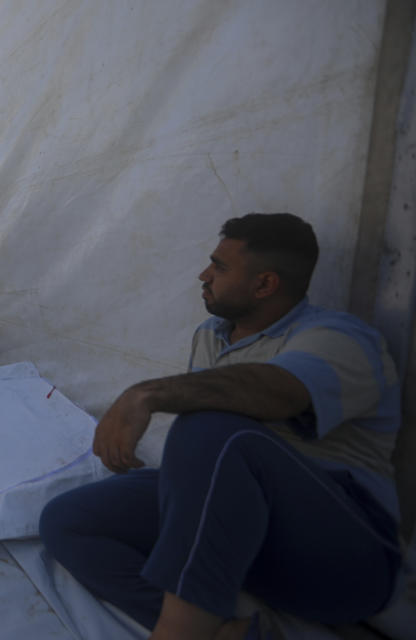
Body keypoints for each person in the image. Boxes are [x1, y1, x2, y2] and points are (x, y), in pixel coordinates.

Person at [38, 213, 402, 639]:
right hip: (250, 537)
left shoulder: (342, 338)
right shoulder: (212, 335)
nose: (203, 275)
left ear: (265, 284)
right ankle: (227, 632)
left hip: (346, 563)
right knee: (68, 519)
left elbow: (278, 392)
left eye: (220, 266)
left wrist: (146, 394)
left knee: (210, 427)